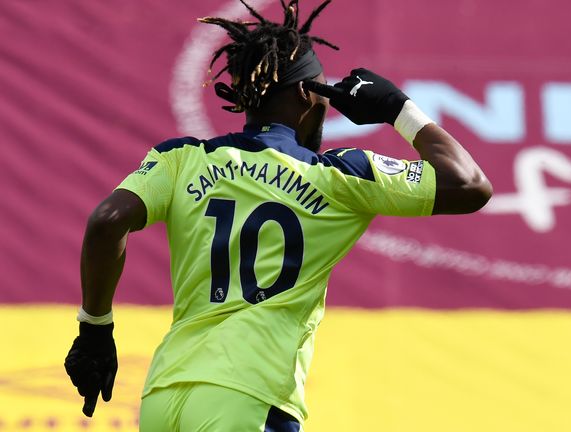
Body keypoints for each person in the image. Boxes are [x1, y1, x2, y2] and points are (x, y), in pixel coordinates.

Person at [64, 0, 492, 430]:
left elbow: (107, 220)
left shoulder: (180, 158)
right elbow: (470, 184)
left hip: (163, 397)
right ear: (308, 93)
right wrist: (397, 108)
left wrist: (95, 330)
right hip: (251, 395)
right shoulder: (339, 175)